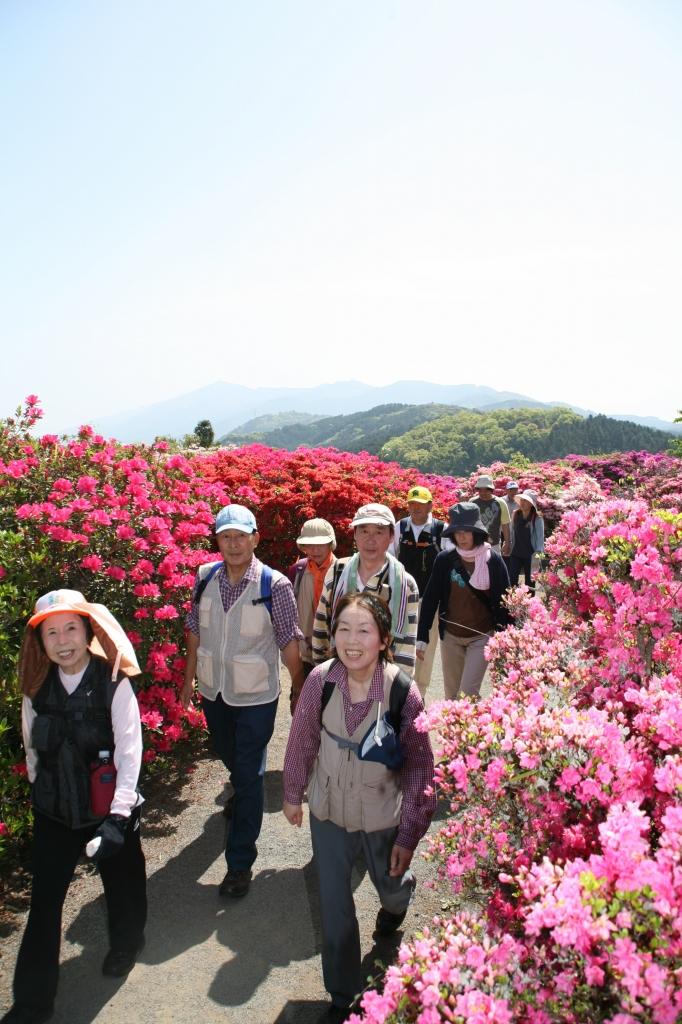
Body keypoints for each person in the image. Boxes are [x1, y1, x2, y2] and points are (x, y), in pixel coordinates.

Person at [283, 592, 435, 1022]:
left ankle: (397, 904)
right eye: (343, 629)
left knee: (390, 886)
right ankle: (341, 993)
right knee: (335, 906)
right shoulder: (321, 681)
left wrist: (409, 834)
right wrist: (293, 793)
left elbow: (422, 770)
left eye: (364, 630)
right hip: (329, 811)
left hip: (382, 813)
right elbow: (302, 739)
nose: (352, 640)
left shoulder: (403, 692)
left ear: (384, 639)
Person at [3, 590, 147, 1024]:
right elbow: (32, 749)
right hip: (55, 813)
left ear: (88, 633)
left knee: (123, 882)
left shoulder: (113, 681)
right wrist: (42, 792)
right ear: (40, 641)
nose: (62, 640)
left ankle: (126, 943)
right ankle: (32, 1002)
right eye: (51, 632)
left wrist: (120, 817)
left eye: (71, 628)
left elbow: (129, 751)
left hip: (108, 810)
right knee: (45, 904)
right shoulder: (35, 687)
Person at [181, 504, 304, 898]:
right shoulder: (204, 577)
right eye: (225, 537)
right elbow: (193, 630)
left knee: (249, 774)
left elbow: (288, 639)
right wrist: (187, 682)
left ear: (255, 539)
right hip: (214, 691)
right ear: (216, 540)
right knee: (228, 754)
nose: (233, 544)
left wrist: (301, 688)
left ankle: (239, 864)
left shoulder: (275, 584)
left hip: (255, 696)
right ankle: (240, 788)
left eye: (240, 536)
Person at [312, 503, 420, 673]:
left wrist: (399, 688)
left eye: (379, 531)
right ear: (354, 534)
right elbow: (321, 623)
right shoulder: (338, 572)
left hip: (383, 678)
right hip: (339, 672)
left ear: (391, 536)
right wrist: (320, 671)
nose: (371, 540)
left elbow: (407, 642)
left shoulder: (405, 583)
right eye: (363, 531)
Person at [418, 502, 510, 700]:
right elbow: (431, 598)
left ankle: (473, 729)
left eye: (467, 531)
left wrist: (508, 638)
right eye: (457, 531)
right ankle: (455, 732)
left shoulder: (492, 560)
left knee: (468, 693)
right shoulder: (445, 559)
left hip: (481, 635)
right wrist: (422, 636)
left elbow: (506, 601)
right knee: (451, 696)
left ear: (476, 532)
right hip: (451, 636)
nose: (461, 536)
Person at [391, 486, 445, 699]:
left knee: (425, 649)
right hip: (403, 597)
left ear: (430, 505)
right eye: (412, 504)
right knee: (400, 642)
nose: (415, 508)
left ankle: (418, 695)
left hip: (430, 601)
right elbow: (390, 556)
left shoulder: (441, 530)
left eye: (420, 504)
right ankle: (400, 691)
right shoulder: (400, 527)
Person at [288, 518, 337, 697]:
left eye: (320, 544)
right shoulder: (297, 571)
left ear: (331, 544)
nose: (315, 550)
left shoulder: (342, 570)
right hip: (304, 652)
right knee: (301, 702)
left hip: (333, 650)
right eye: (310, 544)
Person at [507, 489, 545, 589]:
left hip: (531, 555)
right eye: (522, 500)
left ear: (531, 504)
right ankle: (512, 602)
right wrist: (508, 544)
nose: (523, 503)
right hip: (516, 553)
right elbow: (512, 532)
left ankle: (530, 603)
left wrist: (538, 555)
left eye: (526, 501)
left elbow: (540, 538)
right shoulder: (515, 514)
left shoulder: (537, 517)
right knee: (511, 580)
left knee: (530, 582)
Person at [471, 474, 511, 557]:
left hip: (494, 544)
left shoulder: (500, 503)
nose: (483, 493)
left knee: (494, 568)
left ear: (491, 489)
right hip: (476, 544)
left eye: (486, 490)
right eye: (480, 490)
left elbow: (505, 525)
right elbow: (468, 523)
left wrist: (507, 542)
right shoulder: (472, 502)